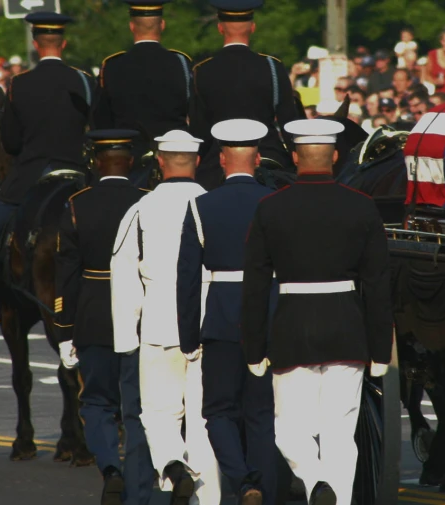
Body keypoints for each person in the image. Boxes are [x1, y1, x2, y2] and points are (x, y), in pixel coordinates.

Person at [241, 118, 393, 505]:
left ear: (294, 157)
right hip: (346, 324)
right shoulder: (361, 206)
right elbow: (377, 283)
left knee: (290, 431)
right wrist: (379, 350)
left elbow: (256, 284)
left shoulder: (269, 208)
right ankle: (332, 496)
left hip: (293, 325)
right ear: (336, 156)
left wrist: (253, 348)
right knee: (340, 433)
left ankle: (313, 481)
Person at [0, 12, 93, 345]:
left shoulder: (20, 84)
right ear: (65, 43)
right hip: (77, 175)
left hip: (31, 178)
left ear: (35, 43)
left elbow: (12, 142)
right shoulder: (85, 81)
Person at [111, 129, 221, 505]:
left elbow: (123, 272)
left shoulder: (140, 210)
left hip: (159, 328)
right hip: (209, 326)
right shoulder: (213, 204)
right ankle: (208, 499)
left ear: (159, 161)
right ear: (198, 162)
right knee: (204, 423)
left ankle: (174, 467)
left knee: (158, 414)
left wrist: (126, 336)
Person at [176, 119, 278, 505]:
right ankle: (263, 493)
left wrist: (189, 338)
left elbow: (186, 280)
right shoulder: (272, 201)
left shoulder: (201, 206)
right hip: (265, 318)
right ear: (257, 158)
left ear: (221, 159)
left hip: (219, 319)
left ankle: (243, 481)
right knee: (260, 416)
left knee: (218, 411)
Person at [53, 129, 155, 505]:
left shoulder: (78, 203)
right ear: (130, 162)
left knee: (96, 402)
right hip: (142, 316)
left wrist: (64, 331)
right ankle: (138, 485)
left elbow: (66, 272)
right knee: (138, 407)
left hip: (94, 315)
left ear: (97, 162)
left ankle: (110, 468)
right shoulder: (148, 201)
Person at [188, 0, 298, 191]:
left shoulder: (202, 70)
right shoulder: (272, 67)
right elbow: (288, 122)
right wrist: (296, 156)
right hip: (267, 153)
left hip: (219, 159)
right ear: (253, 27)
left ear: (220, 28)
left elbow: (201, 130)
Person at [92, 0, 193, 186]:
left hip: (129, 164)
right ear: (162, 25)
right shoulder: (181, 64)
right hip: (173, 160)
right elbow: (192, 112)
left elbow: (101, 121)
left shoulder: (112, 66)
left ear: (131, 26)